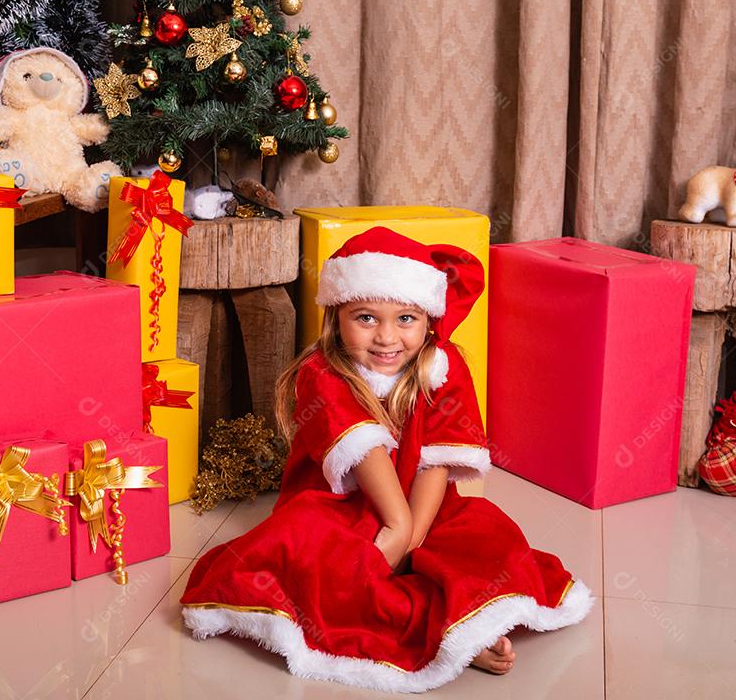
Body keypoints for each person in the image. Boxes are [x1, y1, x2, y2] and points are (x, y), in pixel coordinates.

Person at [180, 227, 592, 693]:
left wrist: (409, 537)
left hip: (424, 505)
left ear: (428, 320)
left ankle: (461, 630)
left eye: (406, 319)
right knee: (316, 559)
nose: (387, 338)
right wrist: (394, 529)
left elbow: (436, 463)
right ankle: (445, 637)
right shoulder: (324, 370)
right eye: (366, 318)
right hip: (338, 504)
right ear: (338, 316)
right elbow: (365, 451)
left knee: (488, 541)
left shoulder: (443, 367)